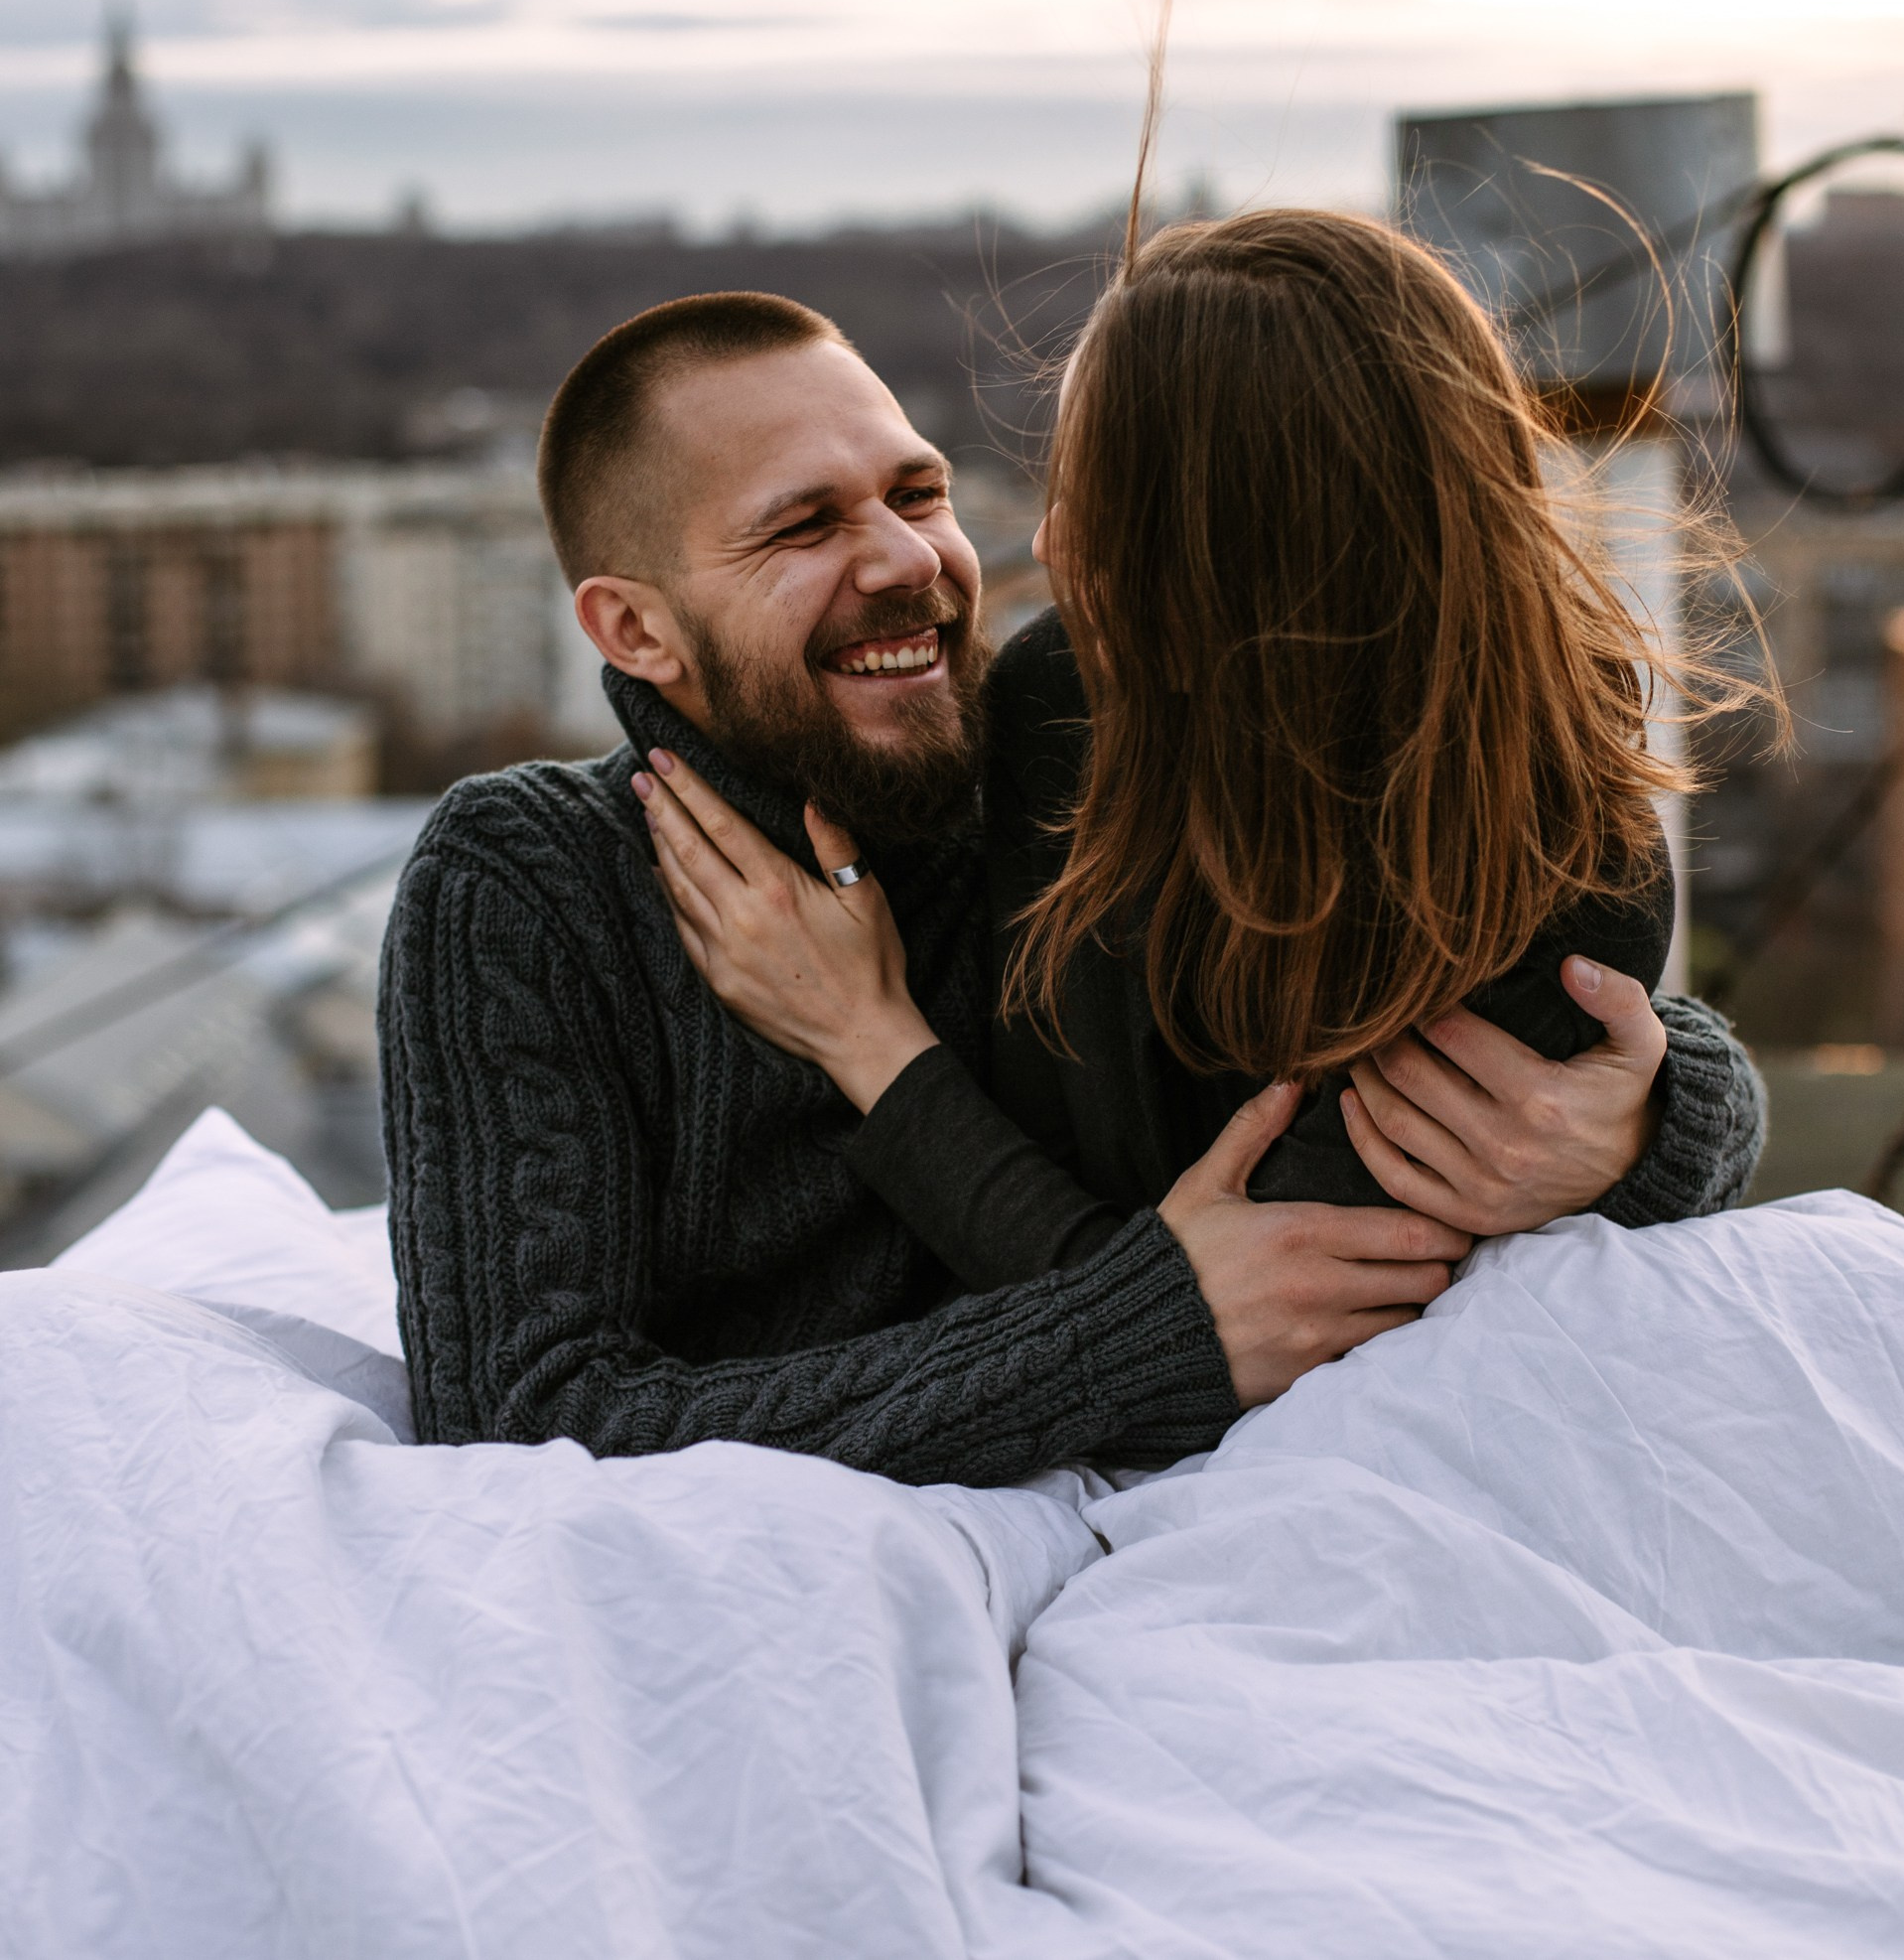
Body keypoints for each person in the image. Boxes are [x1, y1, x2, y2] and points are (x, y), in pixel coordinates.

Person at [380, 276, 1761, 1484]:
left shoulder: (1068, 749)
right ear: (635, 628)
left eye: (918, 493)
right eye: (802, 528)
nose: (909, 560)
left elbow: (1406, 1069)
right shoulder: (530, 880)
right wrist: (1134, 1338)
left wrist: (1656, 1113)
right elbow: (521, 1428)